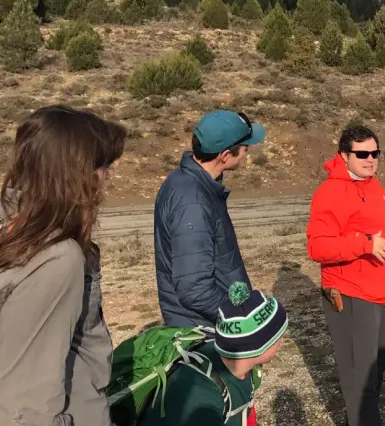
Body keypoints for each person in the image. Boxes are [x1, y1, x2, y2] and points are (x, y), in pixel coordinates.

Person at [0, 105, 127, 425]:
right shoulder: (57, 257)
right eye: (103, 166)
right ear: (76, 173)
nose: (107, 177)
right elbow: (26, 396)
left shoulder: (14, 229)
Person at [305, 124, 385, 426]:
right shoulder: (330, 192)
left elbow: (381, 232)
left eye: (375, 153)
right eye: (362, 154)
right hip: (351, 294)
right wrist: (364, 244)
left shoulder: (372, 184)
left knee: (374, 371)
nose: (370, 159)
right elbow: (318, 247)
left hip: (379, 293)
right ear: (344, 155)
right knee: (360, 379)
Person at [153, 109, 266, 328]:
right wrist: (242, 316)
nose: (246, 153)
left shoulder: (189, 181)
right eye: (245, 148)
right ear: (225, 155)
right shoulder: (192, 202)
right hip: (204, 328)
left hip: (208, 321)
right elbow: (194, 288)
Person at [138, 281, 288, 426]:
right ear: (260, 345)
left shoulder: (247, 367)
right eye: (278, 334)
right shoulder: (200, 398)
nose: (282, 338)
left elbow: (245, 412)